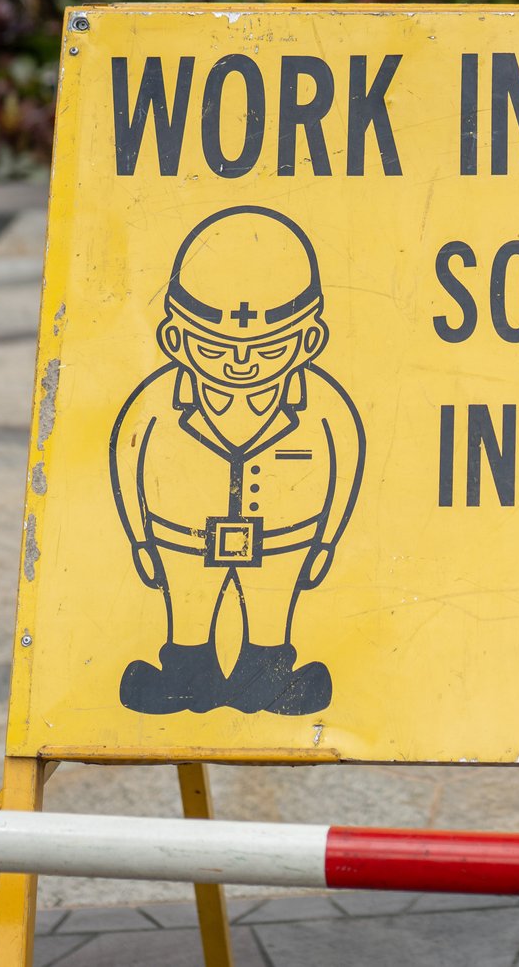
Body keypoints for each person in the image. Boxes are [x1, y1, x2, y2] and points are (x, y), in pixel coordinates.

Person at [109, 206, 366, 715]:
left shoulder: (322, 405)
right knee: (185, 608)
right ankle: (186, 680)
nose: (240, 362)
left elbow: (348, 458)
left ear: (309, 341)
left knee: (272, 611)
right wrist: (139, 539)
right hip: (180, 533)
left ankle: (265, 682)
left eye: (268, 349)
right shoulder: (159, 400)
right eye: (214, 347)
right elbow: (127, 454)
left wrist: (325, 541)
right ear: (175, 339)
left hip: (284, 535)